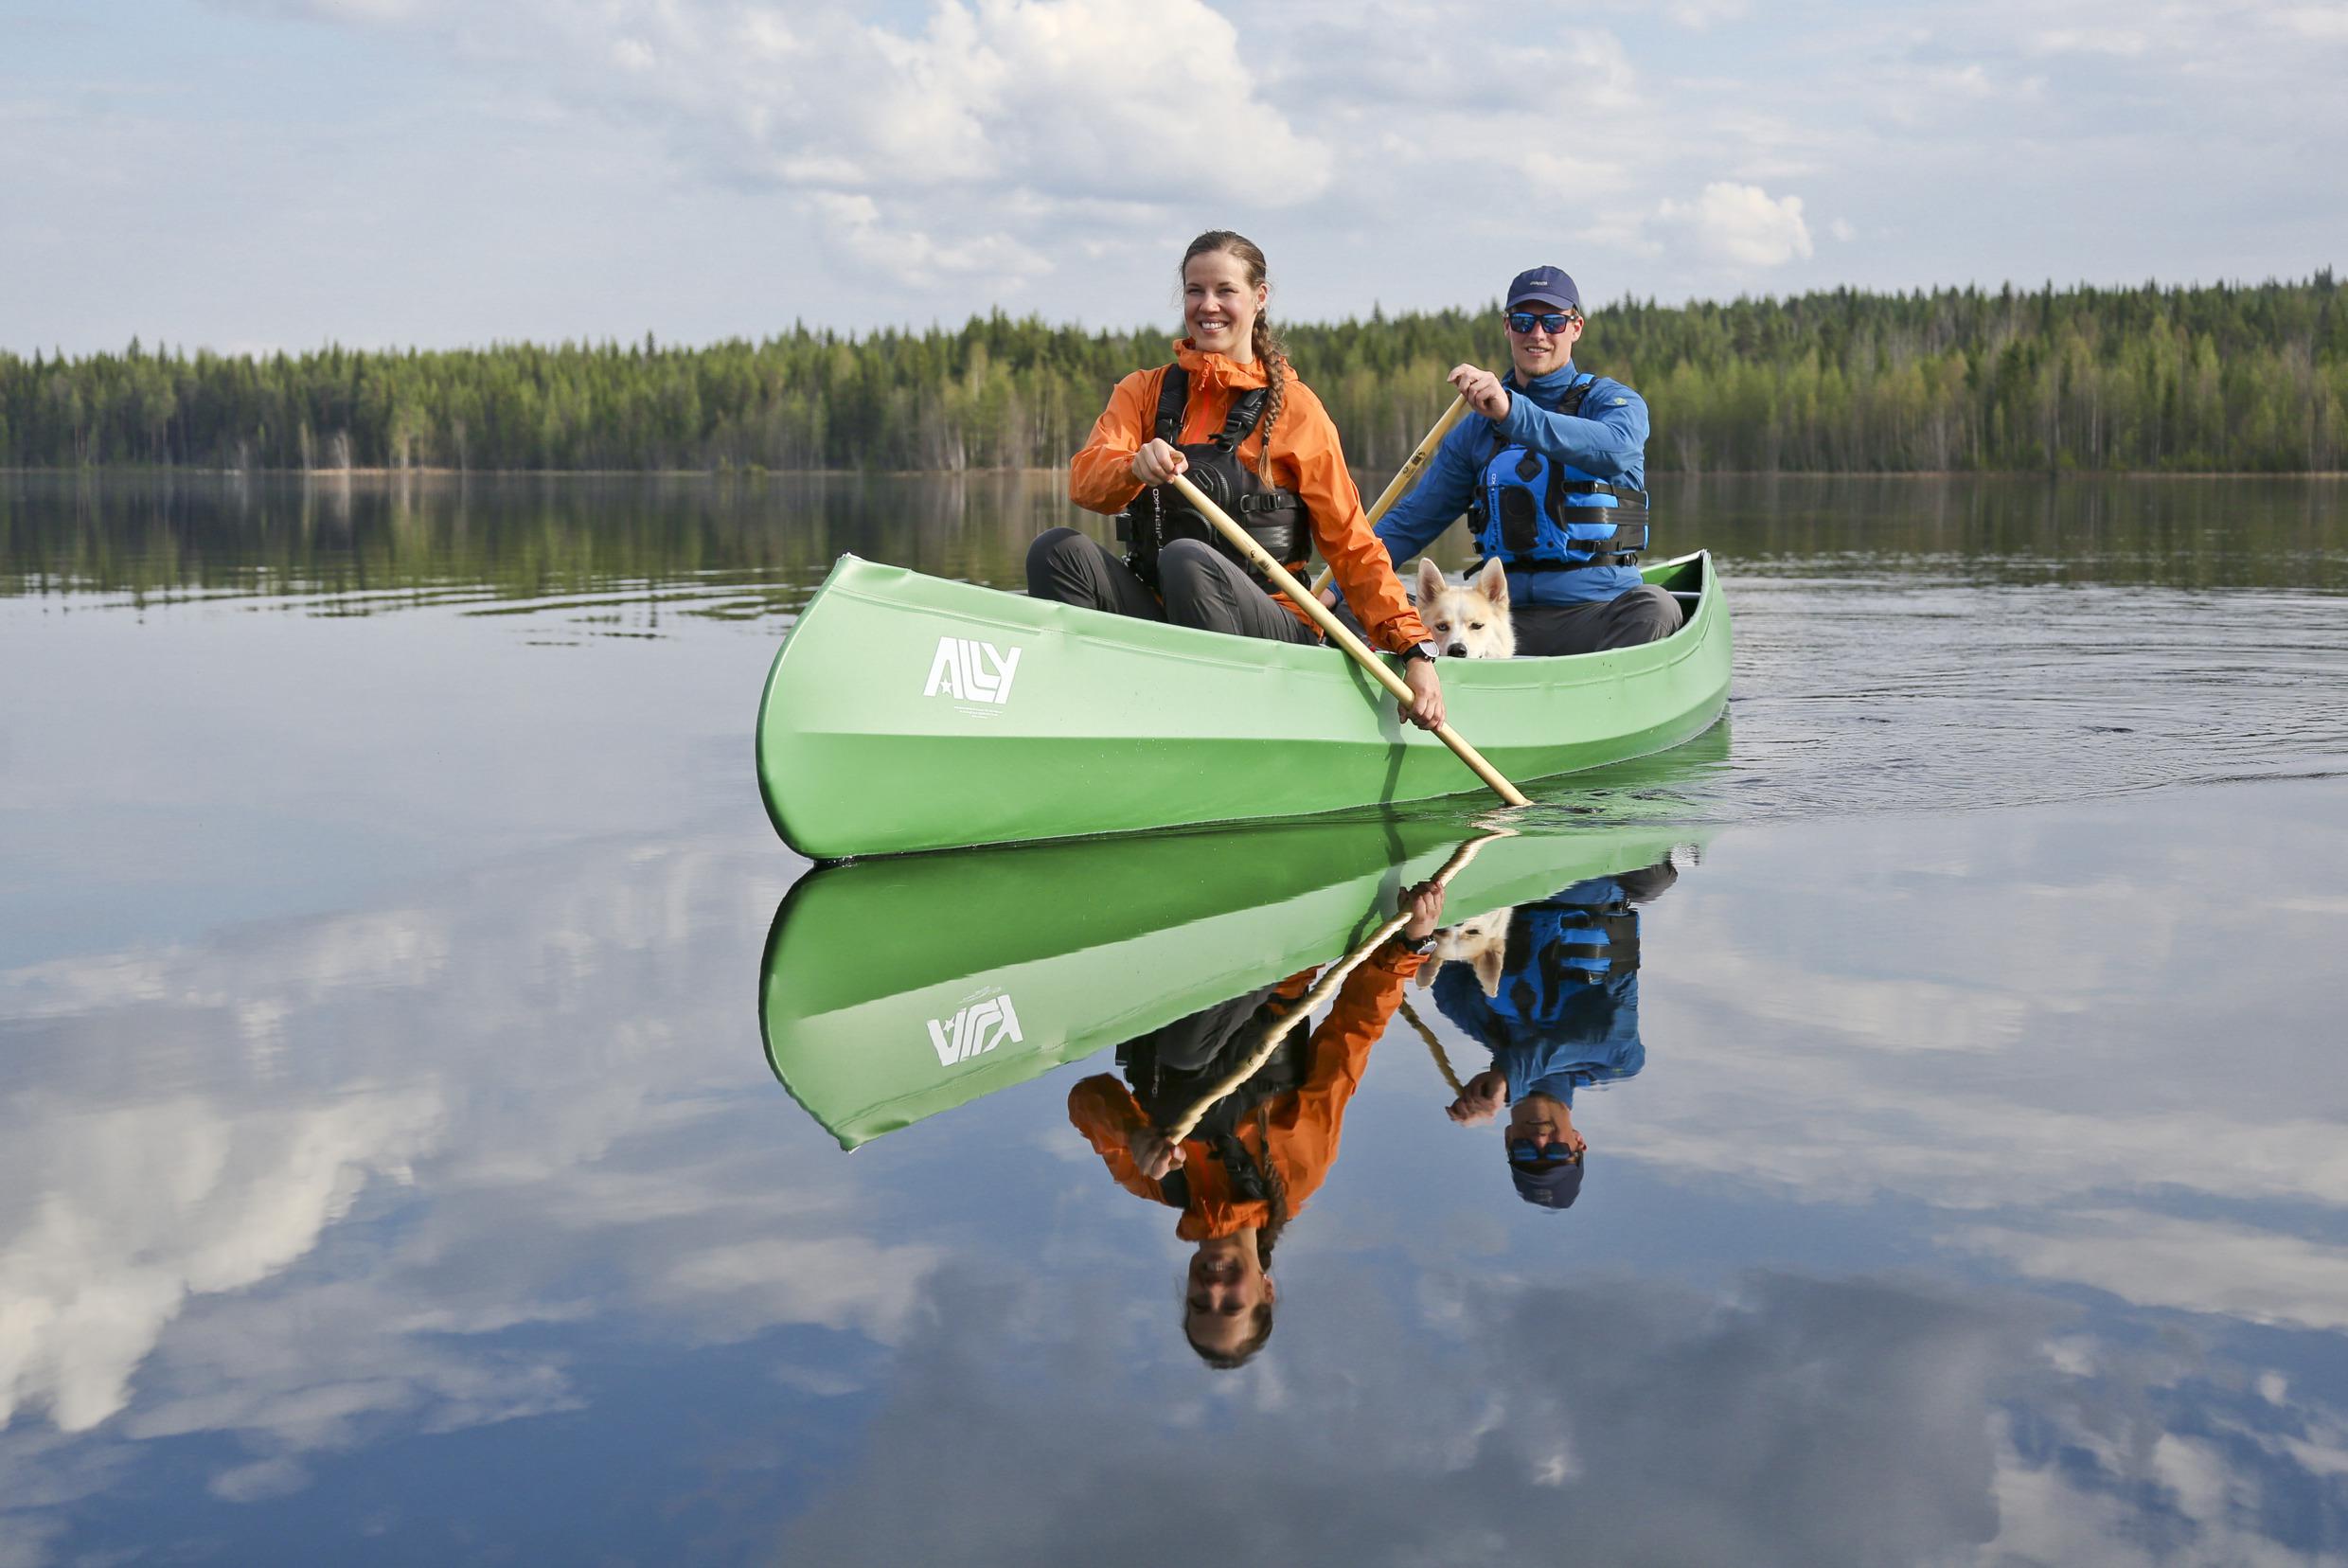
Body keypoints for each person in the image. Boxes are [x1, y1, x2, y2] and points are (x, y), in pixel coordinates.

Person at [1029, 229, 1446, 731]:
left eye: (1225, 290)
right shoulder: (1143, 392)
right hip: (1167, 612)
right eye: (1194, 291)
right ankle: (1082, 716)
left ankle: (1221, 729)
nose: (1209, 306)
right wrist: (1130, 466)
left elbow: (1352, 545)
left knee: (1187, 559)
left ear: (1259, 297)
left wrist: (1416, 651)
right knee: (1058, 550)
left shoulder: (1296, 408)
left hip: (1272, 626)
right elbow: (1084, 483)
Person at [1067, 882, 1444, 1366]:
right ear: (1266, 1289)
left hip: (1161, 962)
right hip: (1273, 957)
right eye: (1232, 1303)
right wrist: (1408, 945)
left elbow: (1084, 1097)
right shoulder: (1297, 1171)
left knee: (1168, 1053)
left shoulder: (1154, 1181)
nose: (1214, 1288)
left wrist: (1132, 1132)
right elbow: (1351, 1034)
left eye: (1199, 1303)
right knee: (1184, 1056)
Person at [1336, 265, 1681, 656]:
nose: (1537, 334)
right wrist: (1335, 588)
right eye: (1523, 321)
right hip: (1502, 624)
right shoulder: (1476, 431)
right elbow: (1411, 521)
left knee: (1657, 606)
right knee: (1353, 605)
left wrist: (1511, 412)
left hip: (1598, 614)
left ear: (1576, 327)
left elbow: (1616, 450)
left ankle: (1610, 699)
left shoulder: (1612, 403)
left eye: (1552, 322)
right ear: (1507, 327)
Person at [1435, 856, 1680, 1210]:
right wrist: (1507, 1080)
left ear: (1508, 1140)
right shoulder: (1618, 1060)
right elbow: (1583, 1040)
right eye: (1555, 1151)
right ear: (1579, 1143)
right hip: (1589, 877)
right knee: (1655, 881)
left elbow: (1441, 942)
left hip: (1500, 882)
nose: (1538, 1138)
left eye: (1524, 1151)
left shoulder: (1469, 1014)